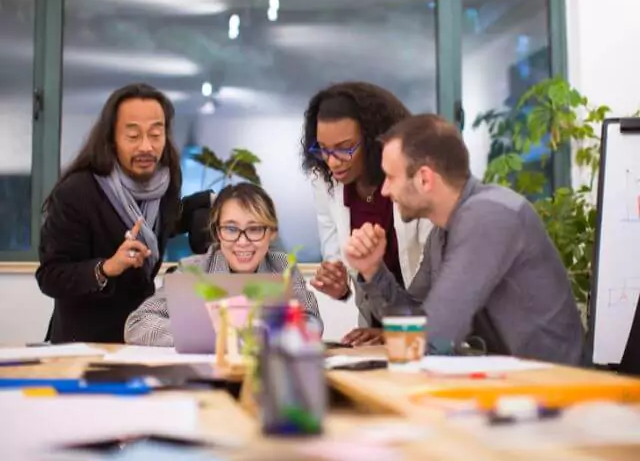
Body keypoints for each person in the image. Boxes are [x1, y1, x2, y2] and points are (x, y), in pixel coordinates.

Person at [345, 114, 584, 365]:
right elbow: (413, 322)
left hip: (555, 390)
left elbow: (435, 336)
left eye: (391, 177)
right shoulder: (441, 234)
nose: (384, 190)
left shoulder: (490, 215)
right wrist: (373, 270)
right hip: (509, 386)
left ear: (425, 179)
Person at [36, 83, 201, 343]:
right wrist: (107, 267)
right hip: (85, 343)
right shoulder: (78, 191)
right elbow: (50, 276)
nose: (146, 146)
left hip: (143, 336)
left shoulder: (167, 180)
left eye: (156, 134)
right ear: (111, 138)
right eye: (133, 136)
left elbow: (157, 224)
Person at [301, 82, 431, 346]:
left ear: (375, 141)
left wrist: (398, 332)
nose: (332, 161)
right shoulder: (325, 180)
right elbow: (340, 261)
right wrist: (339, 285)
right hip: (374, 327)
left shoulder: (412, 181)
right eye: (322, 149)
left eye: (344, 148)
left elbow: (437, 280)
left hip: (426, 329)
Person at [125, 183, 322, 346]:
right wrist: (207, 335)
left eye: (254, 229)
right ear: (218, 233)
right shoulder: (192, 271)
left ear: (271, 233)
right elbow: (137, 324)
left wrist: (266, 333)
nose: (242, 241)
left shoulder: (283, 267)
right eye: (230, 229)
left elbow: (311, 322)